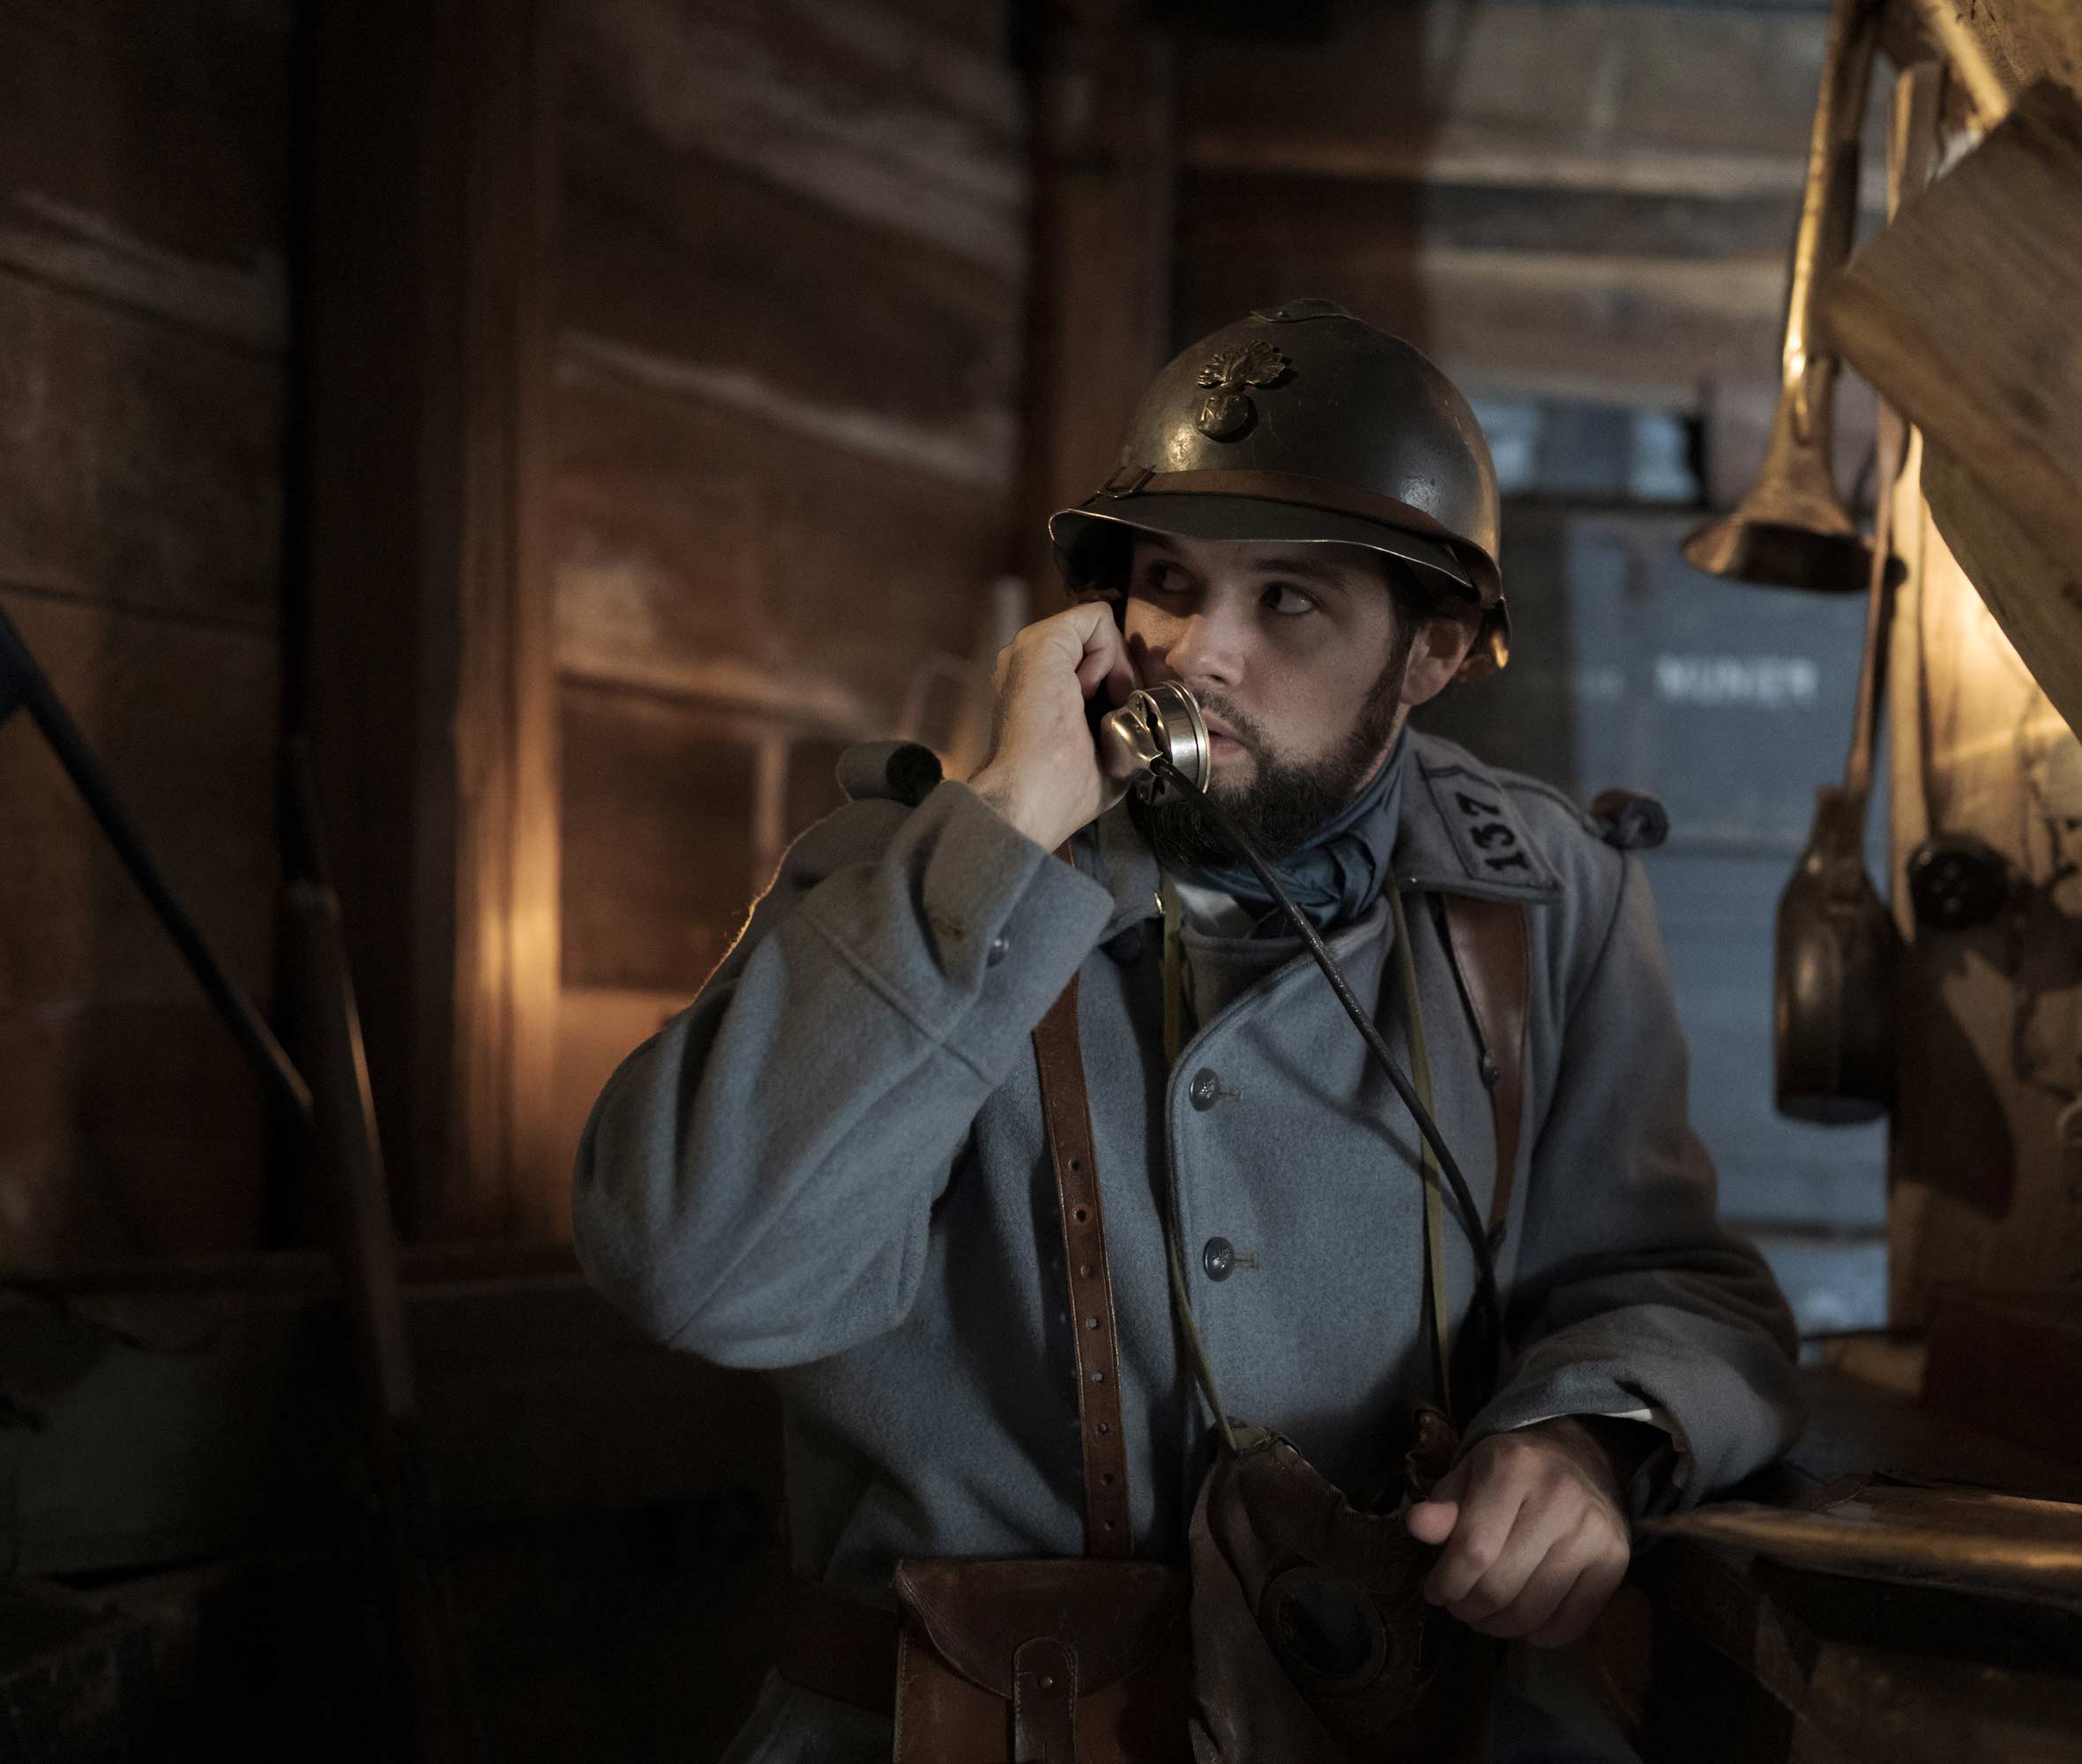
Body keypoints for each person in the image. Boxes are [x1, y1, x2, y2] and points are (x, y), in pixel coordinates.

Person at [572, 300, 1805, 1761]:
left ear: (1431, 651)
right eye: (1168, 581)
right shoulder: (910, 872)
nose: (1199, 653)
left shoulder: (1545, 898)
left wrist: (1587, 1441)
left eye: (1289, 600)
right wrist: (1007, 833)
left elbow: (1670, 1284)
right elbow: (700, 1272)